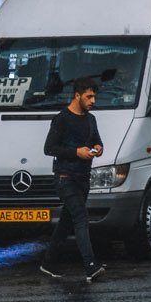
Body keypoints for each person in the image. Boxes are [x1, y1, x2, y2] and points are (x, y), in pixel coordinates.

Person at [41, 78, 105, 281]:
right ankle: (91, 266)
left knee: (66, 223)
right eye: (89, 96)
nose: (93, 100)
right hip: (65, 177)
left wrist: (99, 147)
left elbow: (96, 139)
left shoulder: (91, 119)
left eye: (94, 96)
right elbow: (49, 148)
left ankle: (48, 264)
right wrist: (76, 152)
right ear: (77, 96)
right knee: (81, 216)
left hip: (83, 178)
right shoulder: (62, 118)